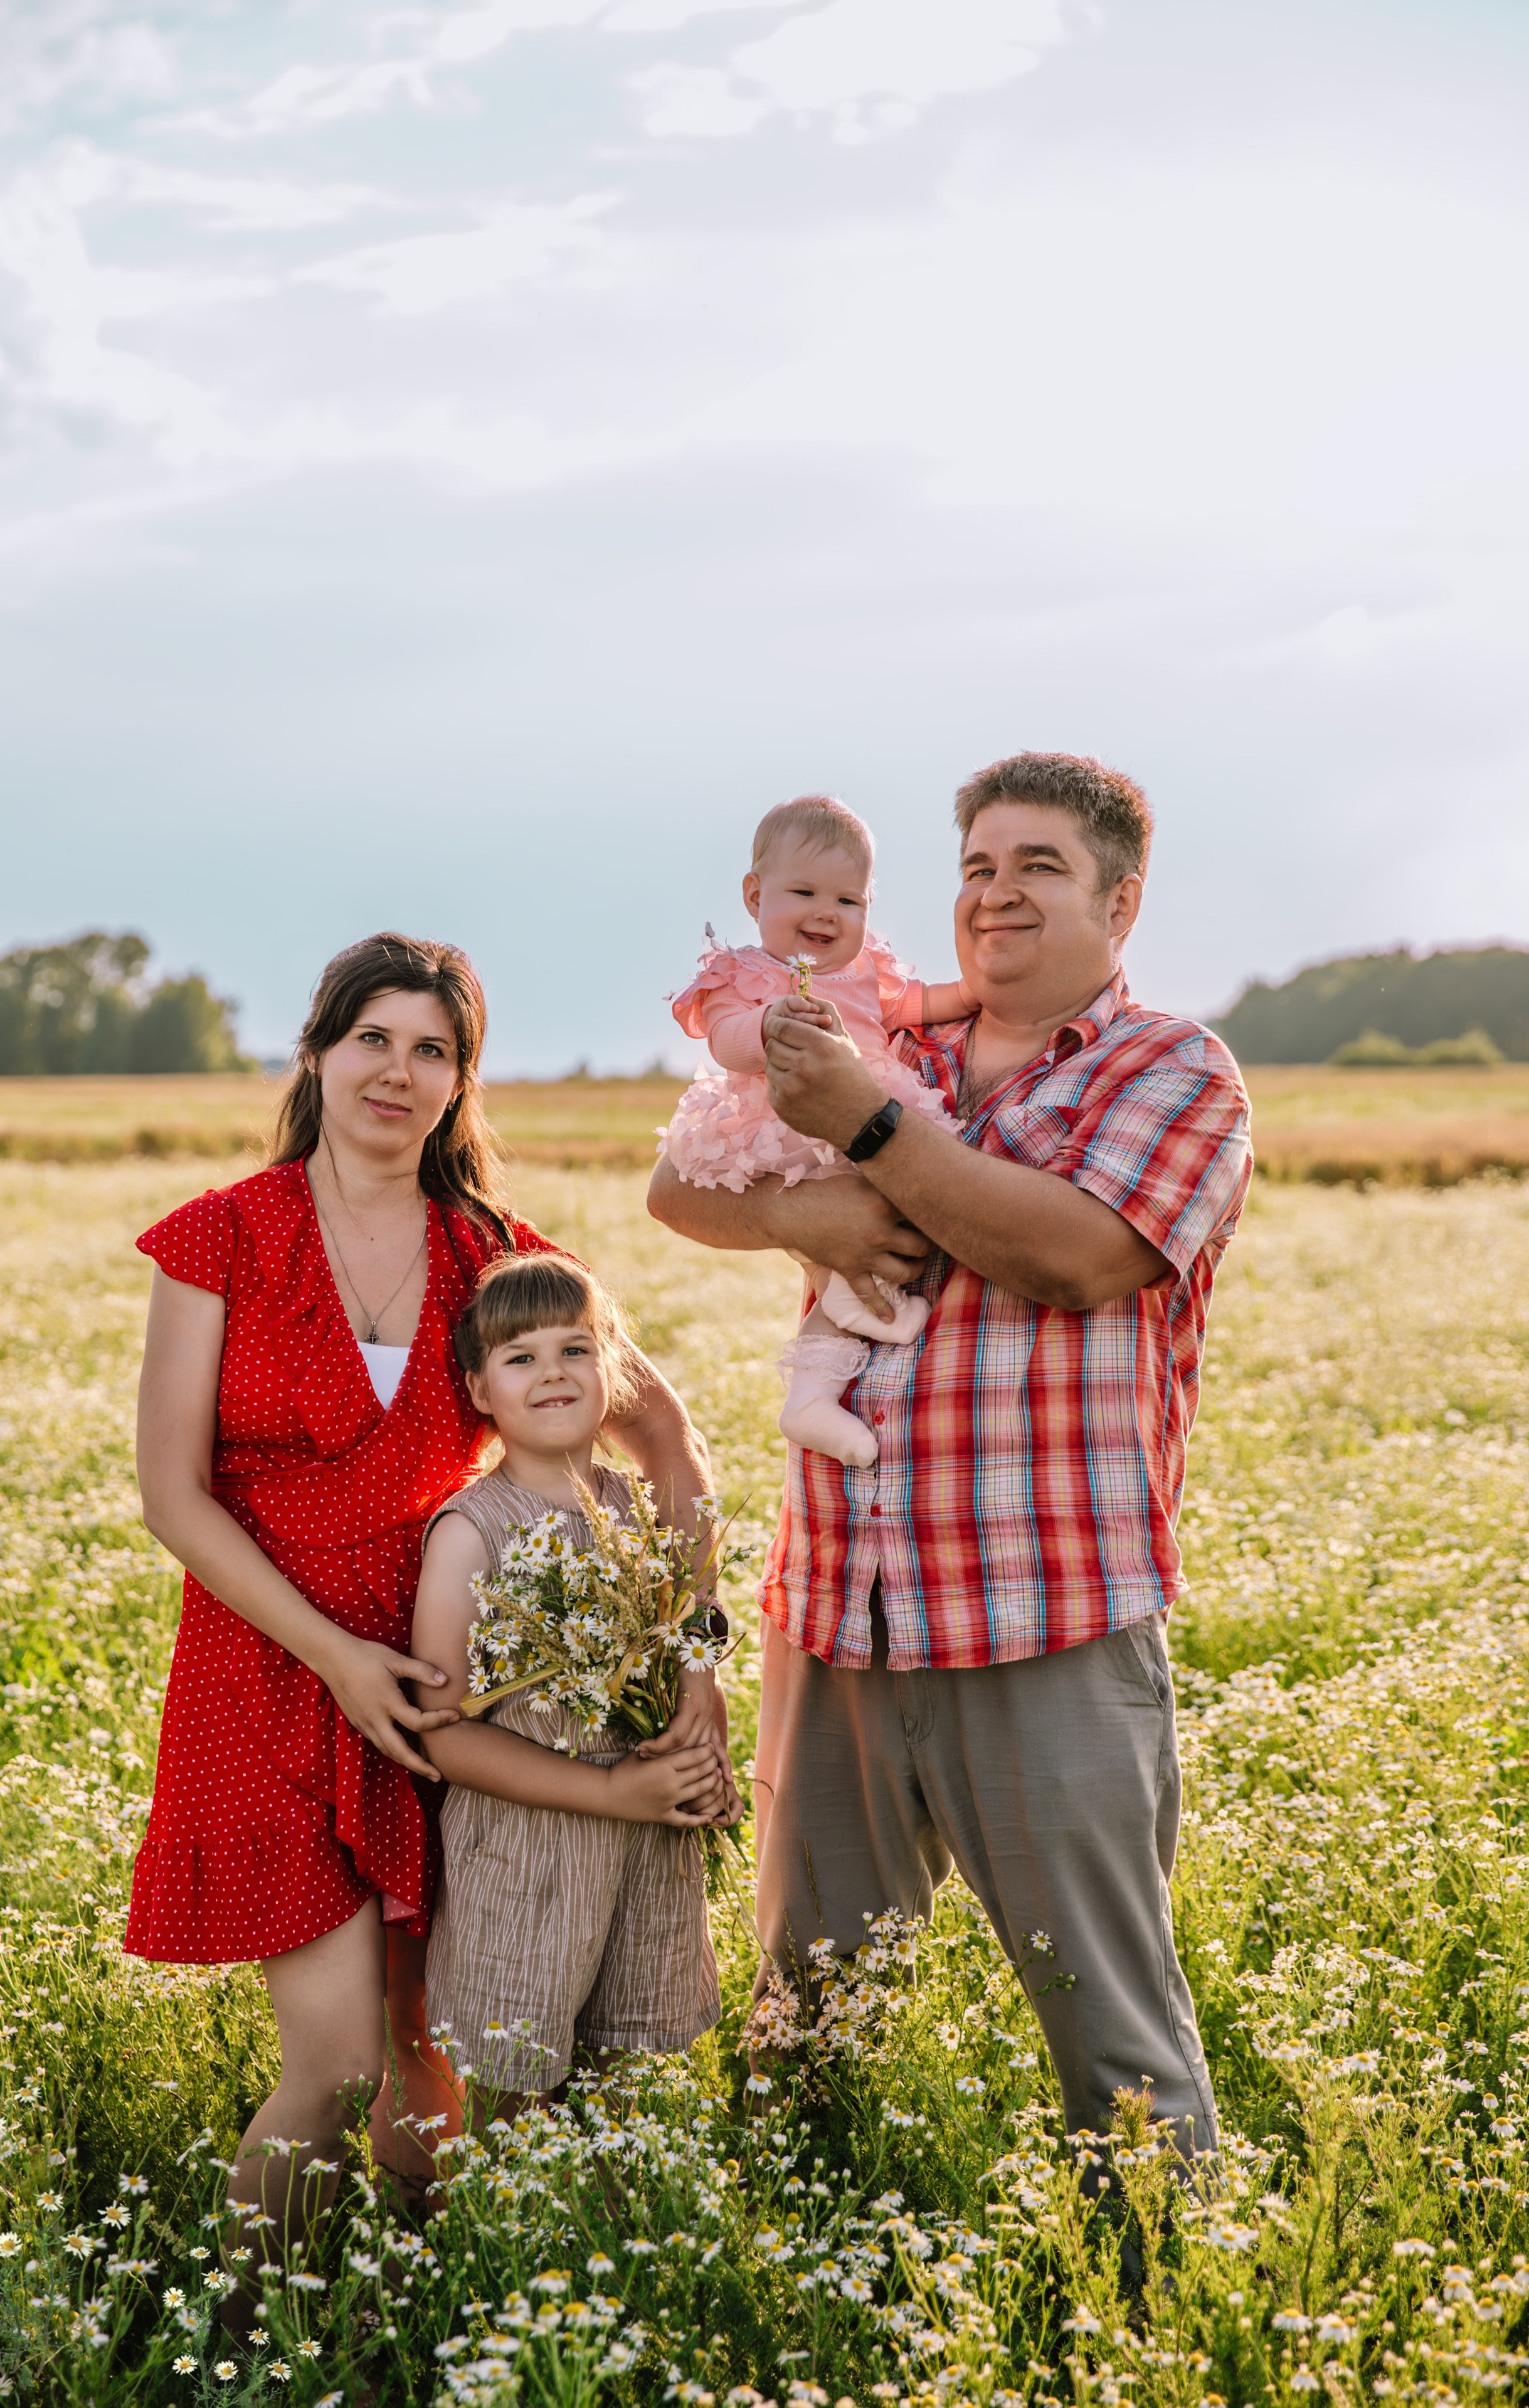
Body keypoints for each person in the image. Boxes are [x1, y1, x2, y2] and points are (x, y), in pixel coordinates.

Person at [648, 752, 1253, 2153]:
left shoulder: (1170, 1068)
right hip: (838, 1608)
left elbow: (1072, 1255)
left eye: (1036, 866)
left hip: (1039, 1614)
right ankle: (800, 2292)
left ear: (1121, 896)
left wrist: (860, 1132)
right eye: (977, 866)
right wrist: (803, 1218)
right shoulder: (890, 1037)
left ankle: (1163, 2329)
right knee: (805, 2015)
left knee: (1110, 2028)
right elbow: (682, 1180)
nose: (994, 894)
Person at [130, 932, 712, 2306]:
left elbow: (671, 1443)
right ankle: (240, 2335)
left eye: (432, 1049)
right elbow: (172, 1494)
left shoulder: (495, 1255)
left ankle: (415, 2318)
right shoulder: (220, 1233)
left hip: (455, 1683)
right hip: (270, 1669)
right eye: (372, 1039)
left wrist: (685, 1656)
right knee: (329, 2064)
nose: (398, 1071)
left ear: (462, 1083)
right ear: (319, 1054)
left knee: (434, 2066)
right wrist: (333, 1659)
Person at [412, 1250, 736, 2116]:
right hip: (526, 1861)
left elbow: (684, 1637)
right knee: (517, 2103)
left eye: (576, 1350)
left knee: (622, 2095)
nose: (552, 1372)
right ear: (481, 1390)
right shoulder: (471, 1535)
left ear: (615, 1371)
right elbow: (441, 1732)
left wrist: (702, 1733)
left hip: (644, 1857)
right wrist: (617, 1793)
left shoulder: (638, 1509)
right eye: (521, 1358)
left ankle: (614, 2243)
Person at [662, 794, 972, 1466]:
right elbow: (723, 1040)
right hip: (786, 1124)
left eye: (849, 901)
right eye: (803, 892)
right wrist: (768, 1027)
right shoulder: (746, 973)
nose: (826, 913)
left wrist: (976, 992)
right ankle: (857, 1318)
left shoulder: (866, 973)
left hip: (866, 1115)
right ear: (754, 895)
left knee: (878, 1217)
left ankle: (810, 1398)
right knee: (840, 1233)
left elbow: (917, 1006)